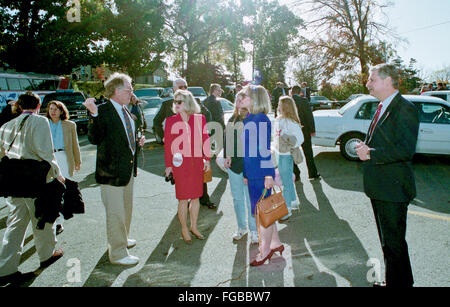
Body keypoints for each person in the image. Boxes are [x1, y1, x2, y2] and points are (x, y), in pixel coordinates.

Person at [356, 63, 419, 287]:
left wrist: (370, 153)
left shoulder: (405, 108)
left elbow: (405, 150)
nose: (368, 83)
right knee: (388, 243)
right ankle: (395, 281)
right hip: (380, 187)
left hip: (393, 190)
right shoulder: (382, 106)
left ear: (387, 81)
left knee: (394, 244)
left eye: (372, 79)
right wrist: (367, 146)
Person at [0, 92, 64, 286]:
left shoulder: (5, 126)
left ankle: (5, 269)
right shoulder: (40, 122)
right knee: (42, 218)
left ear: (19, 106)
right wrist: (58, 173)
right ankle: (46, 254)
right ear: (38, 106)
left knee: (15, 224)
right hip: (35, 179)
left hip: (13, 181)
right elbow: (46, 153)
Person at [83, 73, 145, 266]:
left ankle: (122, 239)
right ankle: (118, 253)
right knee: (116, 213)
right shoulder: (102, 111)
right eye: (129, 89)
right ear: (116, 91)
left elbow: (124, 139)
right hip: (110, 173)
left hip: (127, 171)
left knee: (126, 209)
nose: (131, 92)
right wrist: (93, 114)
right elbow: (94, 138)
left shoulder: (126, 111)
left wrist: (137, 141)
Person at [240, 85, 283, 266]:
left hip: (260, 173)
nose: (242, 98)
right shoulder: (249, 118)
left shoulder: (261, 119)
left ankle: (265, 251)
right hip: (253, 172)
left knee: (261, 213)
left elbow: (264, 149)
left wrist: (268, 175)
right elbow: (246, 150)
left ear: (255, 98)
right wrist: (245, 172)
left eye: (246, 95)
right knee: (266, 211)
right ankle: (275, 244)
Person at [164, 90, 211, 245]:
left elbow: (205, 139)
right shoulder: (171, 121)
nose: (176, 105)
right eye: (174, 102)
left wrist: (207, 159)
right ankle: (184, 228)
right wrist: (169, 166)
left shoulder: (200, 119)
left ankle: (194, 226)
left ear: (188, 103)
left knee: (196, 197)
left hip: (196, 163)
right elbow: (169, 146)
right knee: (183, 198)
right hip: (180, 165)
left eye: (179, 102)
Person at [224, 92, 258, 244]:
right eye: (237, 100)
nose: (238, 102)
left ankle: (254, 230)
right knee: (237, 198)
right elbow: (228, 140)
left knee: (251, 199)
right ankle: (241, 227)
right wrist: (228, 156)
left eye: (241, 100)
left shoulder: (253, 119)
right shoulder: (232, 119)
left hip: (249, 167)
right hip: (234, 167)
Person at [45, 100, 82, 235]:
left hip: (64, 157)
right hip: (49, 158)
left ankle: (59, 221)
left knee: (62, 189)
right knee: (50, 189)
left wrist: (77, 161)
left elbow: (75, 144)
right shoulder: (44, 124)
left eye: (56, 109)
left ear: (61, 111)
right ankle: (51, 218)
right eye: (51, 109)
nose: (53, 111)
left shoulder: (69, 125)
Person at [273, 96, 304, 220]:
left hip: (286, 156)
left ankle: (287, 209)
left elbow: (300, 139)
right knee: (286, 179)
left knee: (285, 181)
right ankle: (292, 202)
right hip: (279, 154)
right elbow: (275, 137)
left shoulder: (291, 122)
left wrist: (291, 144)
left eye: (280, 105)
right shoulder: (278, 120)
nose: (278, 107)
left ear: (285, 107)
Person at [291, 85, 321, 180]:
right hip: (304, 130)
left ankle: (296, 174)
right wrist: (312, 130)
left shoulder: (287, 102)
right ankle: (312, 173)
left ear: (291, 92)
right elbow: (309, 116)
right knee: (308, 152)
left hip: (291, 131)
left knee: (292, 153)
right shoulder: (304, 101)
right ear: (300, 92)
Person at [153, 78, 188, 144]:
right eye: (180, 87)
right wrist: (163, 137)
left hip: (191, 143)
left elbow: (207, 116)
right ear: (174, 89)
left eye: (185, 87)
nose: (183, 89)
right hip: (174, 143)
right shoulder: (167, 105)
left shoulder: (195, 103)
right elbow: (156, 121)